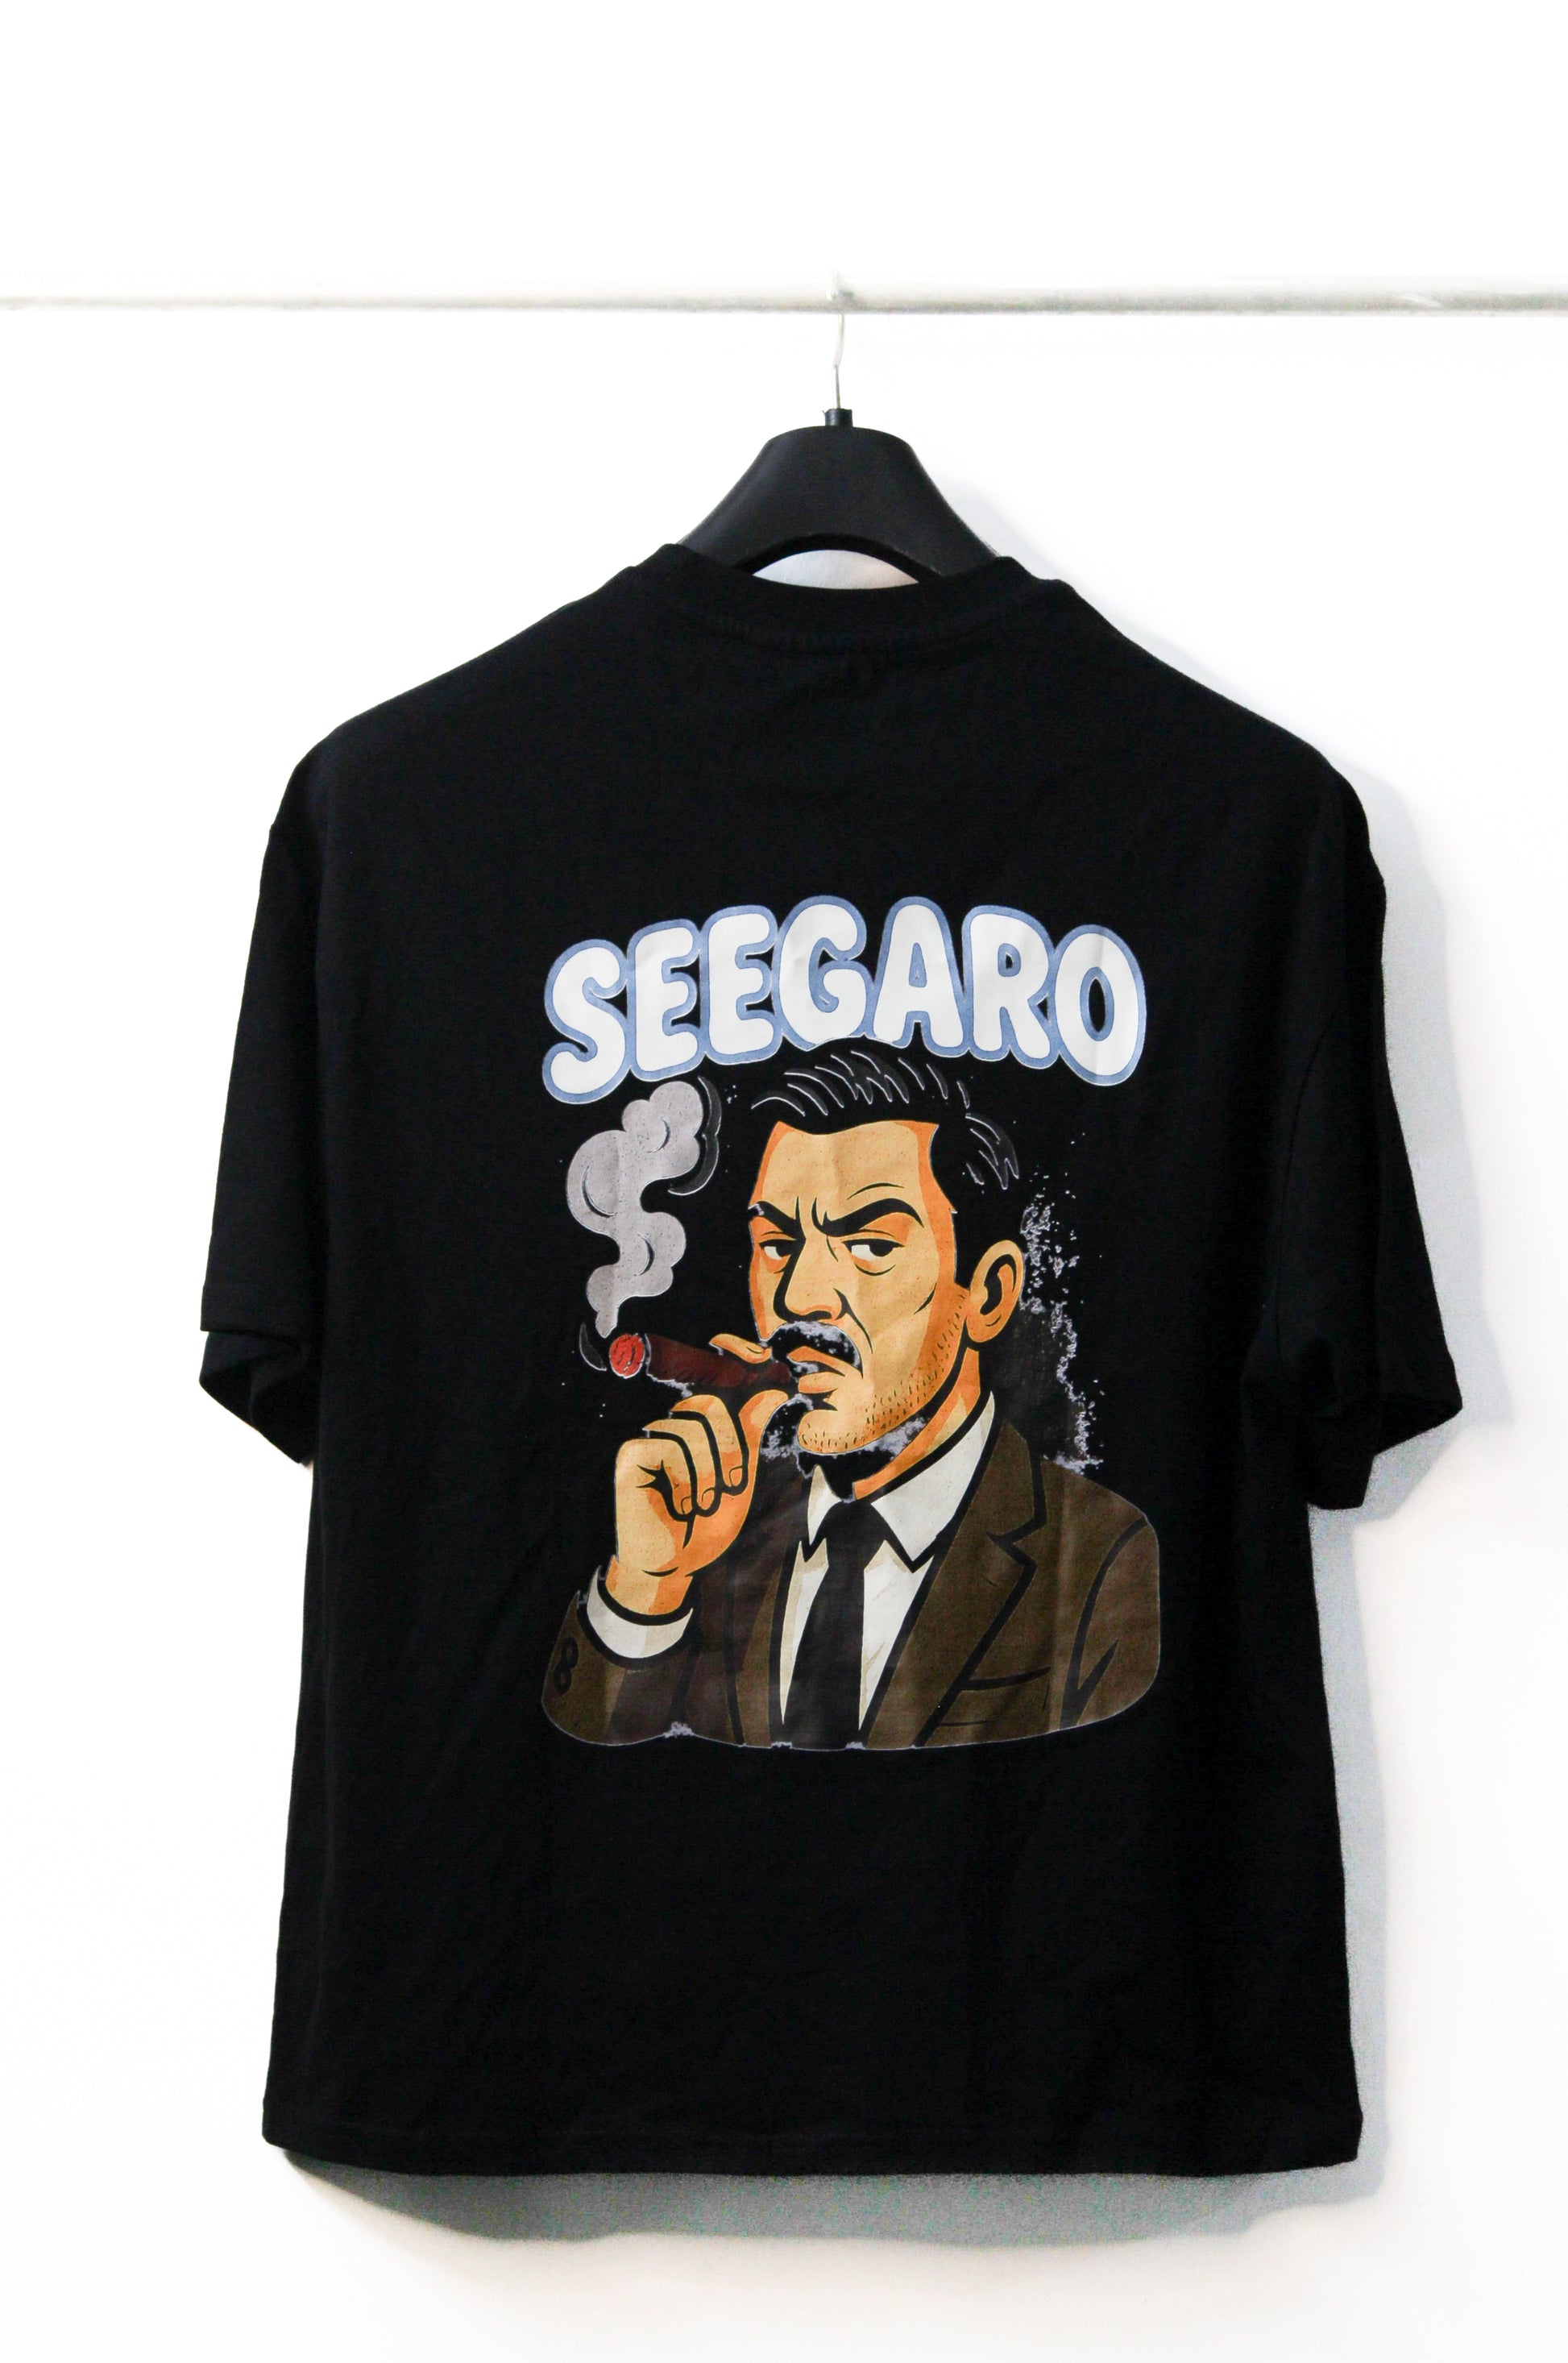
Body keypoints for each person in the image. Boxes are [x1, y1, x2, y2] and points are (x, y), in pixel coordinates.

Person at [544, 1048, 1159, 1749]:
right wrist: (645, 1588)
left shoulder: (1101, 1556)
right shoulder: (707, 1531)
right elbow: (582, 1758)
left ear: (987, 1294)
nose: (798, 1297)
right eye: (778, 1245)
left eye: (869, 1245)